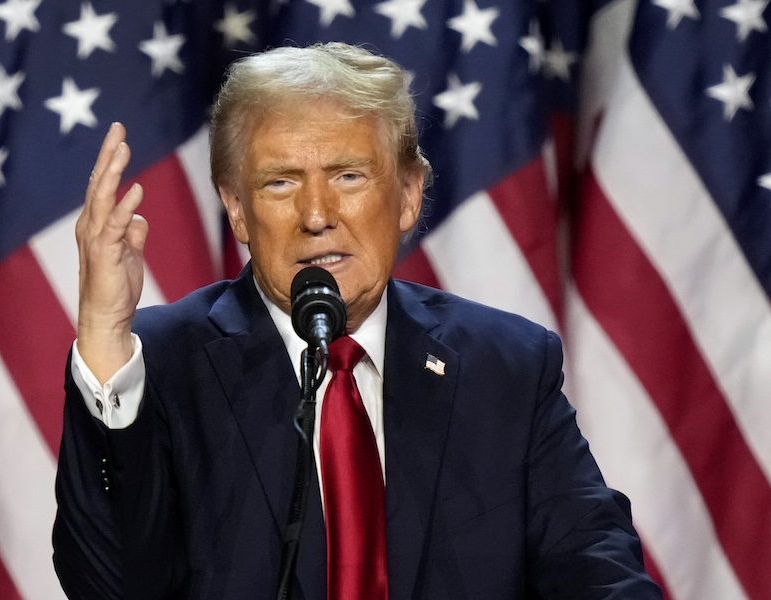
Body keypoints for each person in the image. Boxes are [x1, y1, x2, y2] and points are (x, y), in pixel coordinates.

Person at [53, 42, 660, 599]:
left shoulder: (505, 367)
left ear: (409, 195)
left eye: (348, 176)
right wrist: (105, 336)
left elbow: (595, 567)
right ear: (237, 211)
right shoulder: (161, 365)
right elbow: (110, 585)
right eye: (280, 182)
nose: (317, 215)